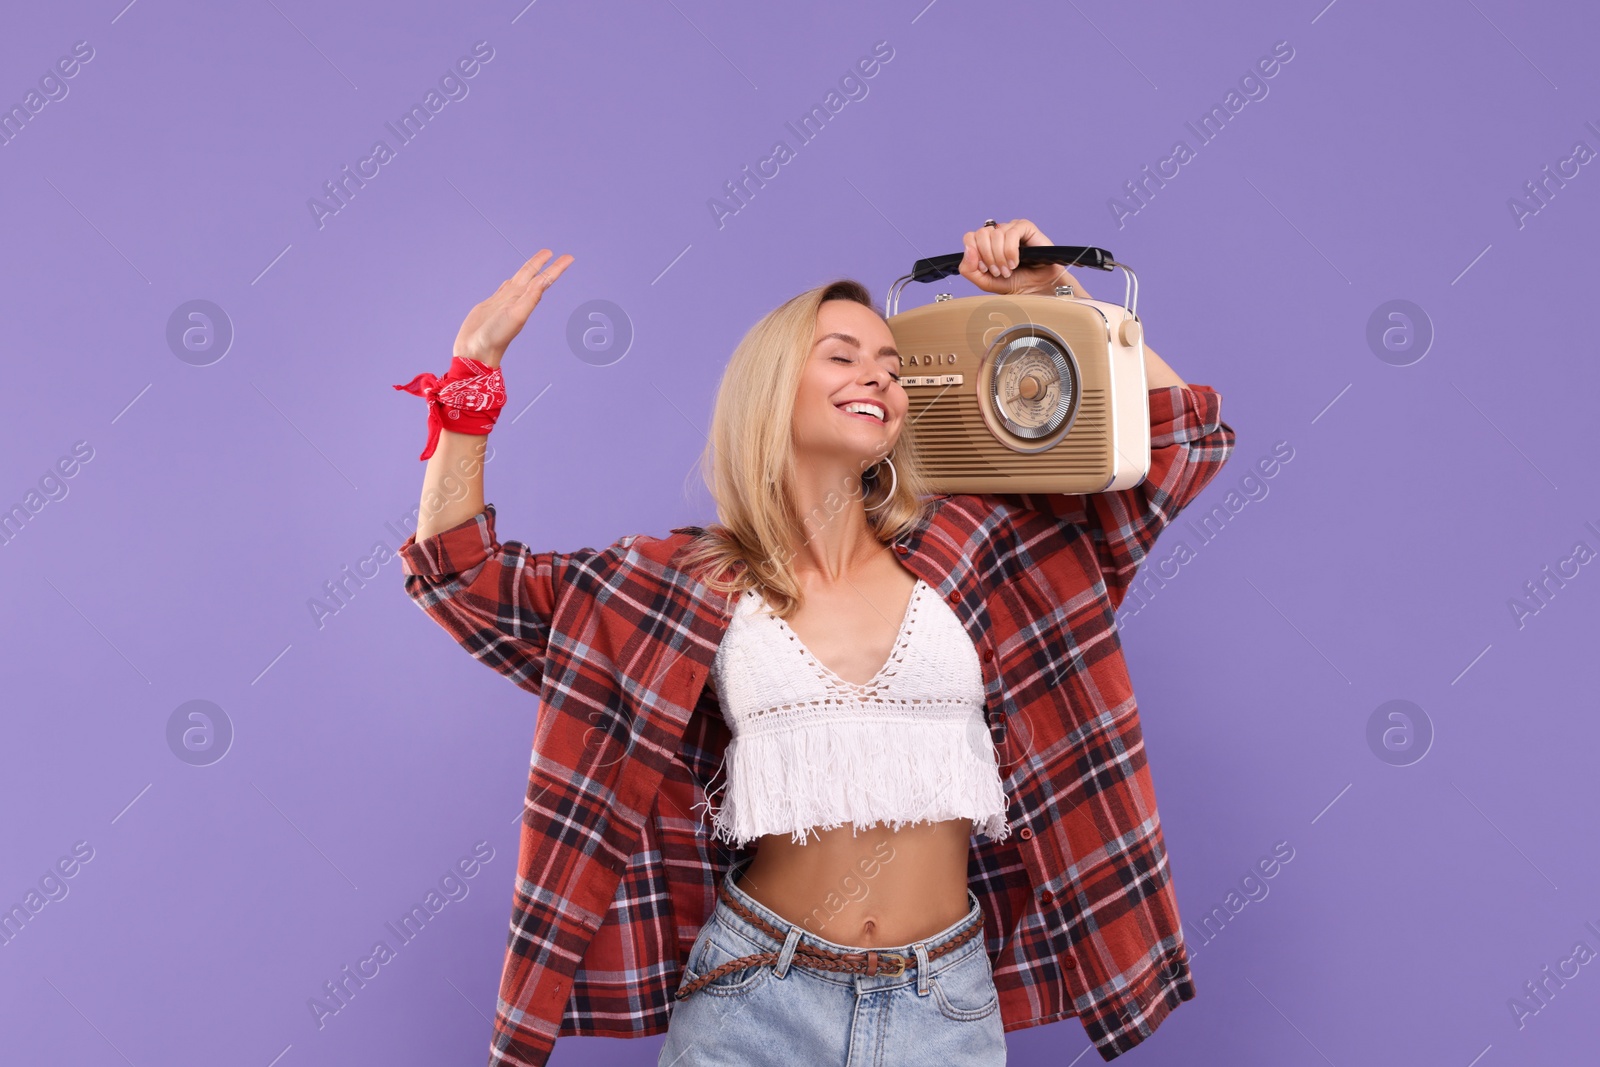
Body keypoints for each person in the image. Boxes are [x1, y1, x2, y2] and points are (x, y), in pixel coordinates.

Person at [395, 218, 1236, 1067]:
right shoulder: (682, 582)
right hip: (753, 994)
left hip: (943, 1002)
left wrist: (1054, 294)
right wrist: (473, 374)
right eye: (842, 354)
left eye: (892, 366)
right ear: (773, 386)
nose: (877, 374)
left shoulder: (986, 546)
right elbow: (460, 578)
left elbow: (1181, 442)